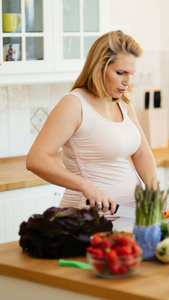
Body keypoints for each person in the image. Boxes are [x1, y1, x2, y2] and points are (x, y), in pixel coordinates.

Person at [26, 30, 158, 215]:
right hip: (88, 216)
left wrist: (153, 191)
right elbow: (36, 159)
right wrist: (85, 186)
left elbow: (142, 153)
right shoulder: (74, 104)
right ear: (100, 67)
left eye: (131, 74)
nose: (127, 81)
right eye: (120, 73)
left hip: (131, 216)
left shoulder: (122, 104)